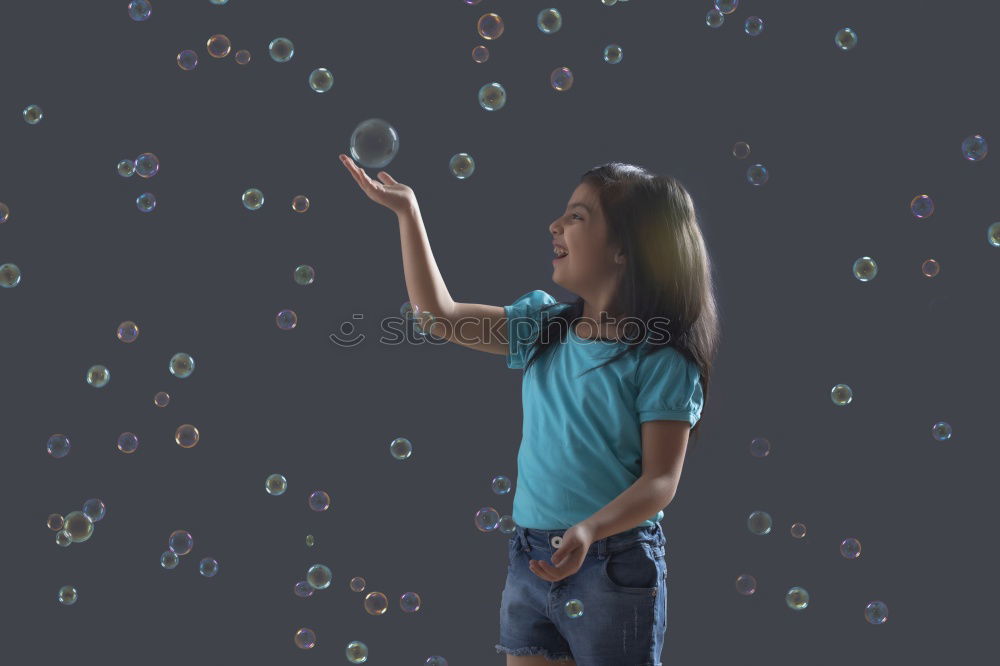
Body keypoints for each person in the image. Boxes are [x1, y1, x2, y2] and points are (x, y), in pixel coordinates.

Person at [339, 154, 721, 666]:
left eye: (578, 216)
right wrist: (408, 212)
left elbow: (660, 481)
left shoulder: (660, 359)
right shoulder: (545, 326)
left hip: (613, 564)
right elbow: (438, 316)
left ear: (627, 249)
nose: (555, 225)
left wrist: (590, 529)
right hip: (531, 556)